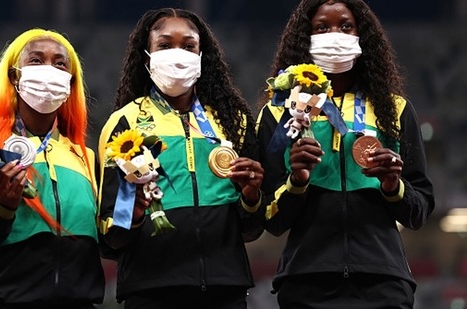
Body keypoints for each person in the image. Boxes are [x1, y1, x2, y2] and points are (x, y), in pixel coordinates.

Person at [256, 1, 435, 308]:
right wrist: (296, 182)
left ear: (361, 35)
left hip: (383, 282)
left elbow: (419, 211)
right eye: (322, 28)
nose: (334, 35)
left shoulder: (394, 110)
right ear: (306, 38)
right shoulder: (279, 114)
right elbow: (271, 220)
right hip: (306, 283)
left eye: (345, 26)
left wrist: (394, 186)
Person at [97, 8, 265, 309]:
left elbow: (251, 228)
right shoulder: (125, 123)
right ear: (146, 55)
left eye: (188, 46)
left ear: (202, 55)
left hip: (224, 287)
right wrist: (132, 214)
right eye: (164, 45)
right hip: (152, 289)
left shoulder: (232, 121)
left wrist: (251, 196)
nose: (178, 54)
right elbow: (111, 235)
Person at [0, 28, 105, 308]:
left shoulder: (85, 157)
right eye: (36, 60)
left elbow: (109, 241)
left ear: (70, 81)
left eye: (59, 64)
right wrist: (1, 207)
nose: (49, 70)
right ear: (14, 77)